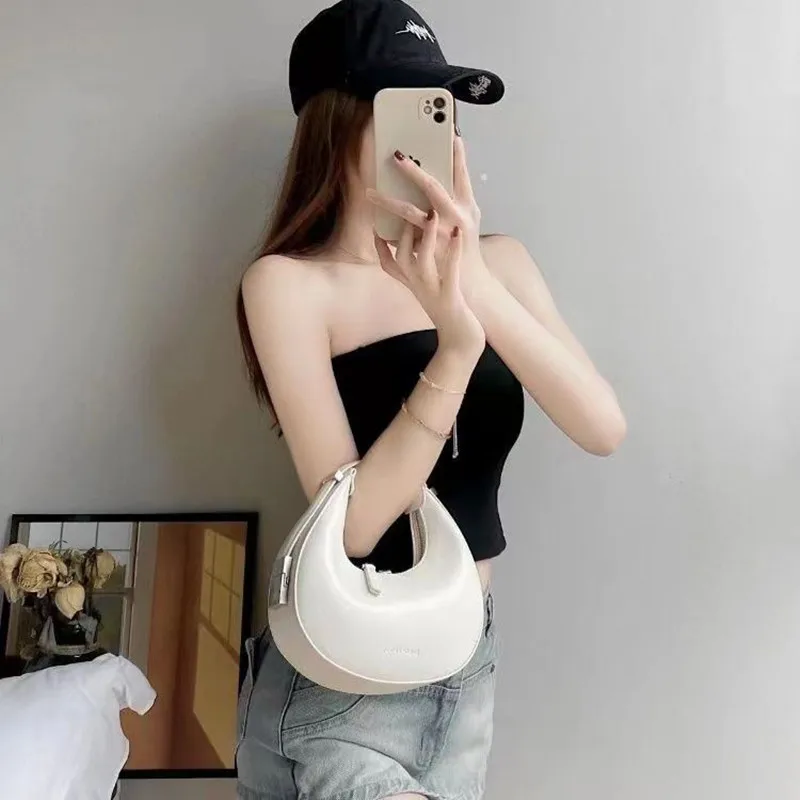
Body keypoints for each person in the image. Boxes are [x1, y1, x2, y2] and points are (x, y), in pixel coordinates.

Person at [235, 1, 626, 799]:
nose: (434, 138)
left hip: (466, 668)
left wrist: (469, 278)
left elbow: (602, 427)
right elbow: (354, 526)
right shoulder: (288, 286)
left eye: (442, 111)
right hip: (343, 686)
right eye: (408, 110)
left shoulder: (499, 265)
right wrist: (454, 348)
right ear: (336, 125)